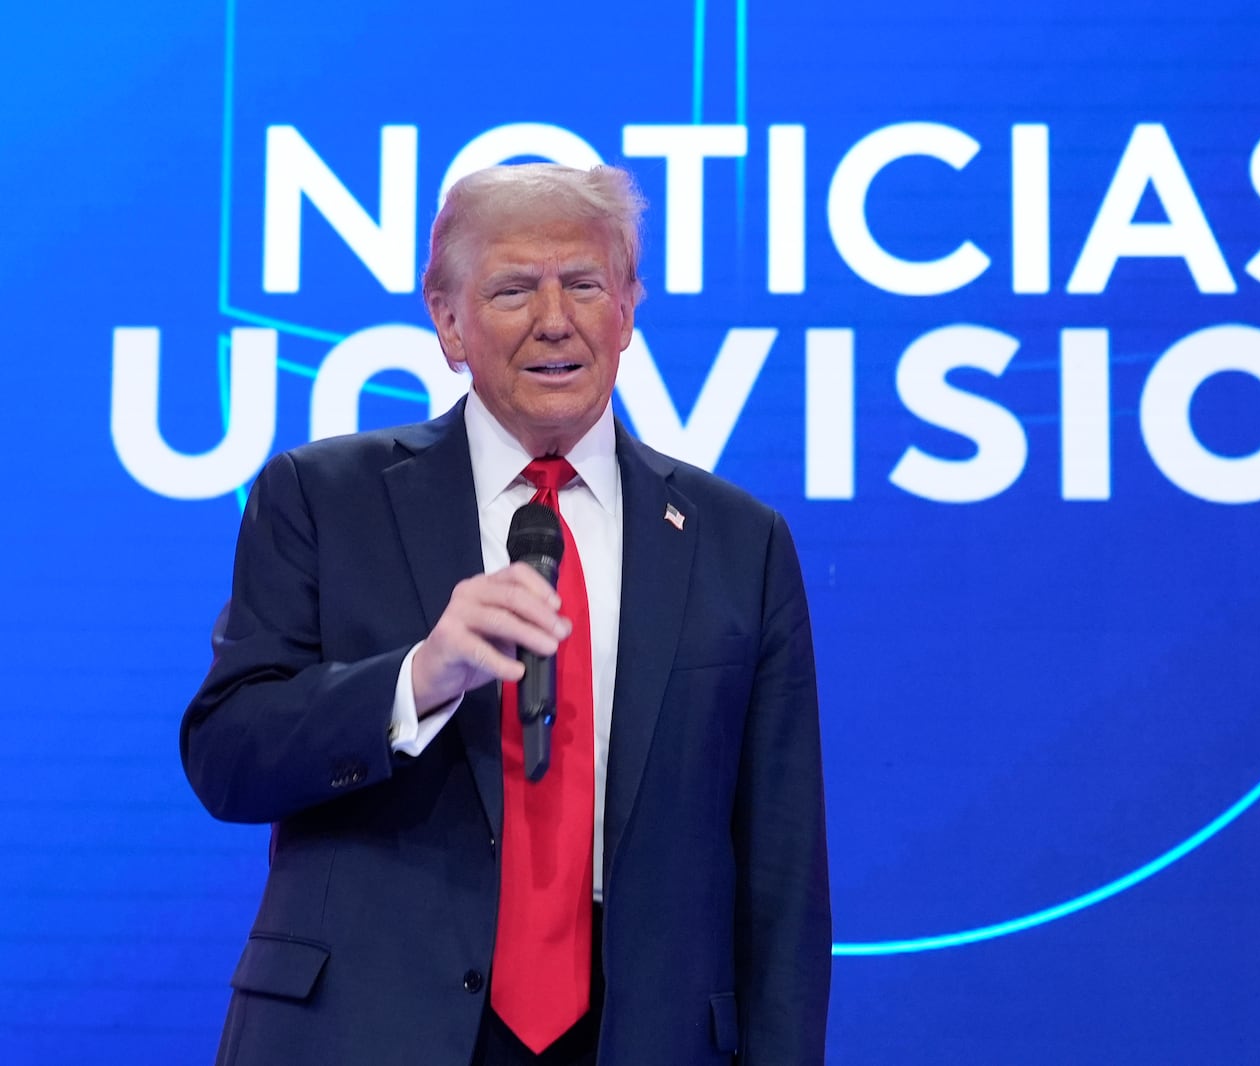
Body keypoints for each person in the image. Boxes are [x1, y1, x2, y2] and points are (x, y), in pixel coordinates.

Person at [180, 163, 831, 1066]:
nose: (555, 319)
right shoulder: (324, 498)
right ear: (446, 320)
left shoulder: (738, 544)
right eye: (515, 289)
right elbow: (228, 755)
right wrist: (417, 678)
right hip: (368, 1029)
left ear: (630, 308)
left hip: (640, 1036)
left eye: (586, 285)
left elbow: (782, 873)